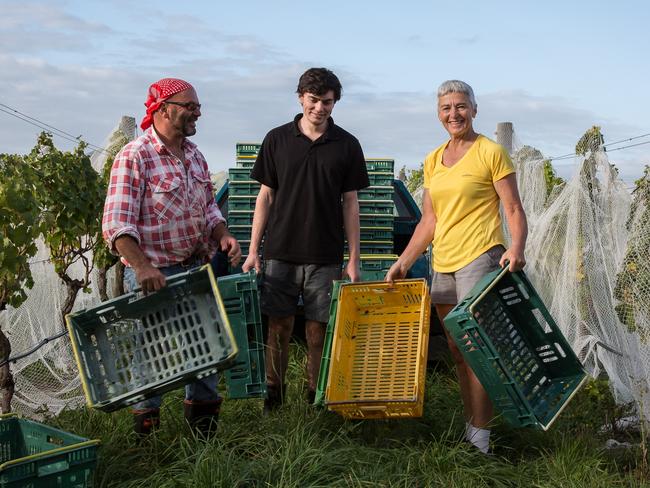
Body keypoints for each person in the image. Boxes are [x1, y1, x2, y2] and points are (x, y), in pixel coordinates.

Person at [386, 80, 527, 454]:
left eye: (461, 106)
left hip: (480, 256)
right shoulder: (433, 159)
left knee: (478, 347)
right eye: (447, 107)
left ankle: (482, 441)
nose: (454, 114)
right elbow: (428, 221)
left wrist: (517, 247)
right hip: (443, 262)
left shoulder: (490, 152)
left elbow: (512, 207)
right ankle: (472, 430)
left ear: (474, 110)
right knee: (456, 347)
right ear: (439, 113)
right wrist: (405, 261)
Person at [102, 77, 241, 436]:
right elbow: (117, 226)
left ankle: (203, 439)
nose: (198, 113)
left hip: (196, 267)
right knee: (153, 355)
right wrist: (144, 266)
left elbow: (209, 208)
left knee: (207, 351)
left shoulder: (195, 155)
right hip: (155, 272)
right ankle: (146, 441)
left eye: (199, 107)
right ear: (164, 109)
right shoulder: (135, 157)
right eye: (190, 106)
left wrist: (222, 234)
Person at [242, 67, 369, 411]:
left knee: (318, 330)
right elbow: (265, 197)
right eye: (314, 100)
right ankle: (274, 395)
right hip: (280, 252)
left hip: (325, 256)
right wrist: (254, 251)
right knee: (278, 327)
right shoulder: (277, 139)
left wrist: (353, 259)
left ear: (334, 103)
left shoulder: (347, 144)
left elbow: (351, 203)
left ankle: (315, 395)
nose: (320, 108)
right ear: (301, 98)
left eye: (327, 102)